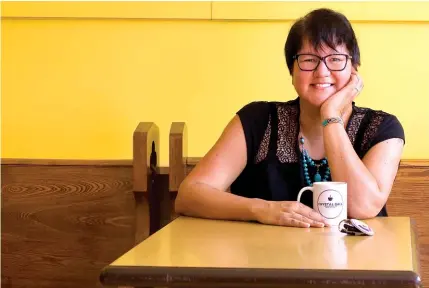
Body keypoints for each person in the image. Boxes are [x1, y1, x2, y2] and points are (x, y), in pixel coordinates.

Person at [175, 8, 405, 228]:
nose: (322, 72)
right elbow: (190, 195)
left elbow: (362, 207)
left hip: (355, 266)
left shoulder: (382, 129)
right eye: (308, 60)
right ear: (291, 71)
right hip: (267, 263)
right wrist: (262, 210)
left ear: (354, 68)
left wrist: (331, 116)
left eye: (335, 59)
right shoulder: (257, 121)